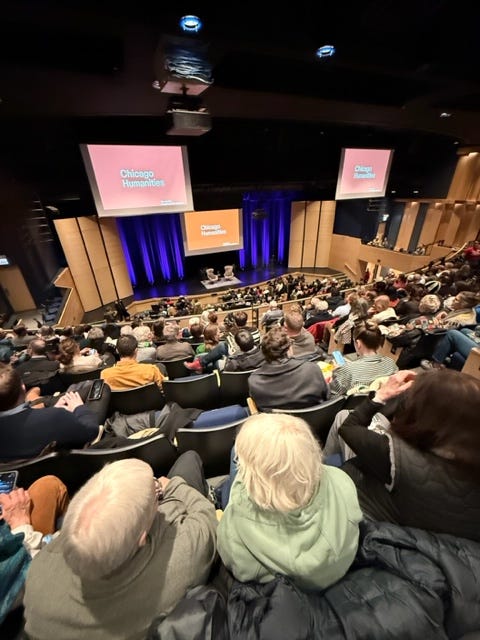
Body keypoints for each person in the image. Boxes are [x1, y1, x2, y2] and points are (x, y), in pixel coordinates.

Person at [24, 454, 218, 640]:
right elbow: (205, 516)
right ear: (141, 538)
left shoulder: (37, 577)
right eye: (154, 494)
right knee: (188, 459)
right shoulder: (182, 558)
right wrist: (168, 486)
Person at [217, 413, 362, 590]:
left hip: (288, 584)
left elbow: (234, 564)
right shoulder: (342, 481)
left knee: (234, 458)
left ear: (258, 480)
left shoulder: (238, 529)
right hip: (336, 569)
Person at [335, 369, 480, 541]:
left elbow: (348, 427)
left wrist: (381, 395)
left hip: (371, 528)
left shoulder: (395, 455)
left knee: (342, 416)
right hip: (425, 541)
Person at [0, 476, 69, 624]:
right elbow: (25, 576)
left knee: (46, 487)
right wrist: (20, 523)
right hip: (20, 577)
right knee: (50, 486)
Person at [0, 364, 104, 461]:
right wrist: (79, 408)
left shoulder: (53, 416)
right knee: (102, 388)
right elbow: (91, 432)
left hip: (30, 472)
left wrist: (51, 412)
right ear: (23, 387)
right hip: (69, 466)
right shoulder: (55, 417)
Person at [248, 326, 329, 410]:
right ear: (289, 350)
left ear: (264, 354)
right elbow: (326, 396)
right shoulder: (313, 369)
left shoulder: (255, 381)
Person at [329, 321, 398, 395]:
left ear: (358, 343)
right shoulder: (391, 364)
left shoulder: (347, 371)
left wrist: (336, 373)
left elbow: (331, 394)